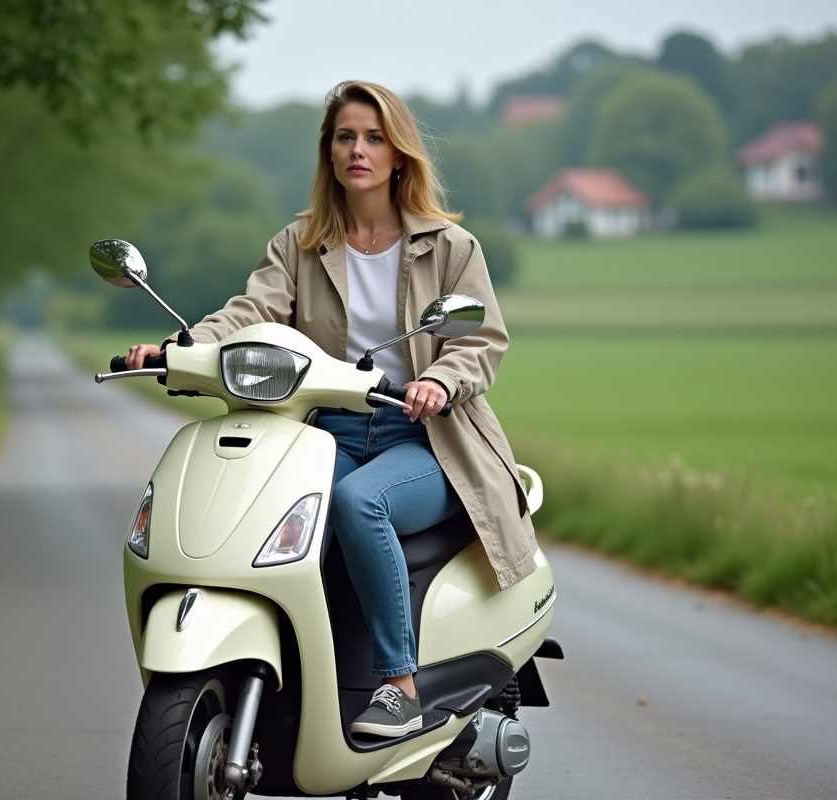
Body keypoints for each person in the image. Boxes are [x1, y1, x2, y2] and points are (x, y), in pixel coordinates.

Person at [125, 80, 538, 739]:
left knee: (357, 505)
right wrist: (183, 346)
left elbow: (482, 340)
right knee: (273, 522)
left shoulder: (451, 248)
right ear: (329, 151)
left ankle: (398, 685)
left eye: (374, 138)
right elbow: (250, 313)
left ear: (399, 153)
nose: (358, 150)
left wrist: (438, 379)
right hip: (325, 433)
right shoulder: (301, 243)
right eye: (346, 136)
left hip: (425, 438)